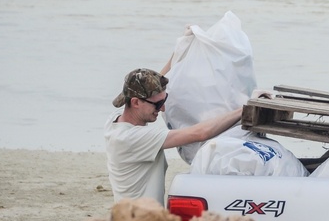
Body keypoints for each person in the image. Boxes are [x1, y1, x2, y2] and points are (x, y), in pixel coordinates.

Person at [104, 66, 243, 206]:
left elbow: (147, 83)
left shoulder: (114, 120)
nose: (163, 108)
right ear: (135, 102)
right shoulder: (131, 139)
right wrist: (244, 110)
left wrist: (181, 49)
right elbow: (200, 133)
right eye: (158, 104)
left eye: (164, 101)